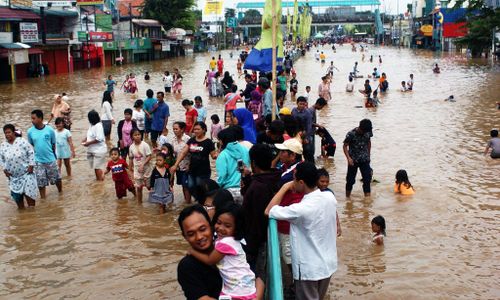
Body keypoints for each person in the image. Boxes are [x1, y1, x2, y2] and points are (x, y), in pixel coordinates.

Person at [265, 162, 338, 300]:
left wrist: (285, 187)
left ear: (301, 182)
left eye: (294, 179)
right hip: (328, 264)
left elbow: (269, 210)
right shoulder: (330, 197)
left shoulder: (300, 209)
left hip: (308, 269)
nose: (292, 182)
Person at [187, 202, 259, 300]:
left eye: (227, 226)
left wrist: (192, 251)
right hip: (245, 285)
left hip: (238, 289)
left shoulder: (226, 243)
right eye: (218, 222)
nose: (220, 228)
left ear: (237, 228)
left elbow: (210, 260)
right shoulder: (235, 241)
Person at [241, 144, 281, 287]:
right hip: (265, 237)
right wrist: (247, 179)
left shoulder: (258, 186)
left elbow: (257, 219)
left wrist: (250, 247)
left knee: (256, 274)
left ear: (253, 163)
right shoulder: (275, 178)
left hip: (256, 242)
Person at [177, 205, 223, 299]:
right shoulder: (187, 266)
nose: (199, 237)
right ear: (185, 237)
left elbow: (257, 277)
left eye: (202, 229)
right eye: (191, 234)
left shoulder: (230, 249)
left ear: (211, 226)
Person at [171, 122, 217, 195]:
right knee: (191, 187)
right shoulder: (192, 140)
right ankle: (193, 203)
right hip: (192, 170)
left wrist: (219, 153)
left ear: (204, 130)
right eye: (194, 129)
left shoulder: (208, 142)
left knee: (201, 189)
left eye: (198, 129)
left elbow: (213, 156)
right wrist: (176, 165)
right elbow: (183, 152)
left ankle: (202, 204)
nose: (195, 131)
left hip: (203, 171)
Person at [0, 124, 38, 208]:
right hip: (14, 178)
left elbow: (31, 152)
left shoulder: (22, 141)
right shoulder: (3, 146)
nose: (7, 135)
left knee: (31, 203)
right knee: (19, 205)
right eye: (5, 133)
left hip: (27, 174)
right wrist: (4, 170)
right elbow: (1, 159)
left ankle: (33, 219)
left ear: (13, 132)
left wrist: (31, 165)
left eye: (9, 132)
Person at [28, 109, 62, 199]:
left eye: (34, 118)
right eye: (31, 118)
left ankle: (60, 194)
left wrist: (54, 156)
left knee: (57, 179)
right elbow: (31, 144)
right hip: (38, 161)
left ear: (40, 118)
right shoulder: (30, 132)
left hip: (50, 159)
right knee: (40, 183)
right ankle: (43, 199)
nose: (32, 120)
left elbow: (53, 144)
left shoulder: (50, 130)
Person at [215, 127, 250, 203]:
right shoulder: (246, 150)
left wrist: (216, 188)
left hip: (229, 191)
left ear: (222, 141)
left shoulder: (223, 155)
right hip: (244, 188)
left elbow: (222, 175)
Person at [343, 119, 373, 198]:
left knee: (367, 180)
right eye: (364, 131)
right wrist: (348, 158)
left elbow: (369, 142)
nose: (366, 133)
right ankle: (347, 198)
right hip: (353, 160)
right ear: (360, 128)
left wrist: (369, 155)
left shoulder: (368, 132)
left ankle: (367, 201)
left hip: (365, 160)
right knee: (350, 180)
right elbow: (345, 146)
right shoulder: (351, 134)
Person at [128, 129, 153, 203]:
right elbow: (130, 158)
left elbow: (149, 156)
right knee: (138, 188)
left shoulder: (145, 145)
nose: (137, 136)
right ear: (132, 137)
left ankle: (155, 200)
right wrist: (130, 170)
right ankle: (139, 204)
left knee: (149, 186)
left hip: (146, 169)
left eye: (139, 134)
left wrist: (143, 164)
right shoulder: (131, 147)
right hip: (137, 170)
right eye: (135, 135)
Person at [170, 122, 192, 203]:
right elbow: (171, 152)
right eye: (173, 129)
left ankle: (188, 203)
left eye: (176, 129)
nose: (174, 131)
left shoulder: (188, 139)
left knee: (186, 186)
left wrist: (190, 165)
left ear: (182, 130)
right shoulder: (173, 139)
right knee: (183, 185)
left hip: (186, 166)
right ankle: (186, 202)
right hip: (178, 166)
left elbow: (193, 153)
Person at [83, 110, 107, 181]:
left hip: (99, 150)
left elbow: (99, 139)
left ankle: (100, 182)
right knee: (95, 167)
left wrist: (88, 143)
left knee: (97, 167)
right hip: (92, 150)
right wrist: (85, 139)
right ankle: (99, 180)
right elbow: (90, 134)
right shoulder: (91, 125)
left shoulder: (98, 126)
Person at [317, 168, 342, 237]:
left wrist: (338, 225)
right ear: (316, 181)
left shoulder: (330, 193)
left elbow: (334, 210)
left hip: (326, 223)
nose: (325, 184)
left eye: (327, 182)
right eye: (322, 181)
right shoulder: (312, 193)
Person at [292, 97, 314, 162]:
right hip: (295, 133)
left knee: (307, 150)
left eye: (303, 104)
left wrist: (306, 137)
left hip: (305, 134)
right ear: (297, 103)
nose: (302, 106)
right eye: (300, 104)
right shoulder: (293, 111)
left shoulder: (308, 113)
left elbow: (309, 126)